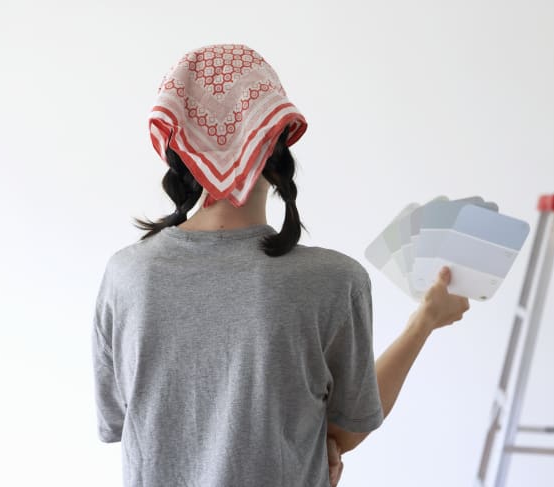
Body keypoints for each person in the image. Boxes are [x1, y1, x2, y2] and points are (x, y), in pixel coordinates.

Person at [90, 44, 470, 487]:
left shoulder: (125, 276)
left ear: (175, 147)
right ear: (278, 142)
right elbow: (349, 426)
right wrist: (423, 321)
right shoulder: (333, 281)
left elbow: (119, 423)